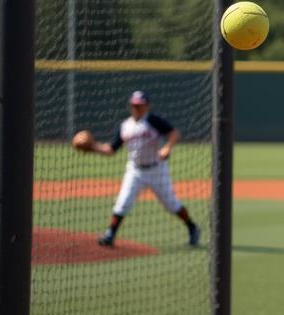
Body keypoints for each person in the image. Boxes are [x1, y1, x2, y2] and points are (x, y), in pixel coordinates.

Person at [80, 90, 200, 247]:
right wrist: (94, 147)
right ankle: (110, 235)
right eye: (134, 105)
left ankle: (192, 227)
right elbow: (111, 150)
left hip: (157, 170)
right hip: (135, 171)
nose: (137, 108)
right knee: (123, 202)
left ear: (146, 106)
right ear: (130, 106)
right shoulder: (125, 126)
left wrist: (167, 148)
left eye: (140, 105)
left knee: (172, 204)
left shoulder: (154, 121)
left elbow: (174, 133)